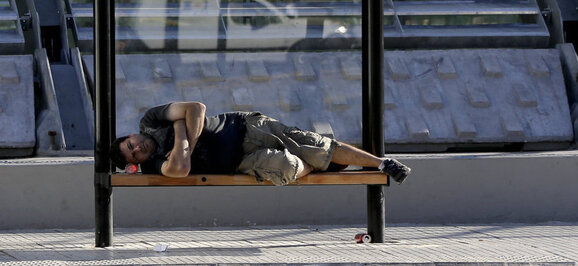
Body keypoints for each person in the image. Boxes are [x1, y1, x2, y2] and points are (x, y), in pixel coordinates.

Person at [110, 101, 411, 186]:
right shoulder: (153, 164)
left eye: (131, 143)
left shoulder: (151, 119)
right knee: (286, 167)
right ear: (135, 162)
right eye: (133, 154)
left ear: (131, 135)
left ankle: (382, 163)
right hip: (238, 162)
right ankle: (324, 162)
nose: (138, 148)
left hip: (243, 127)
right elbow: (177, 170)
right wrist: (180, 129)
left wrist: (183, 143)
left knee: (310, 144)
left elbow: (197, 108)